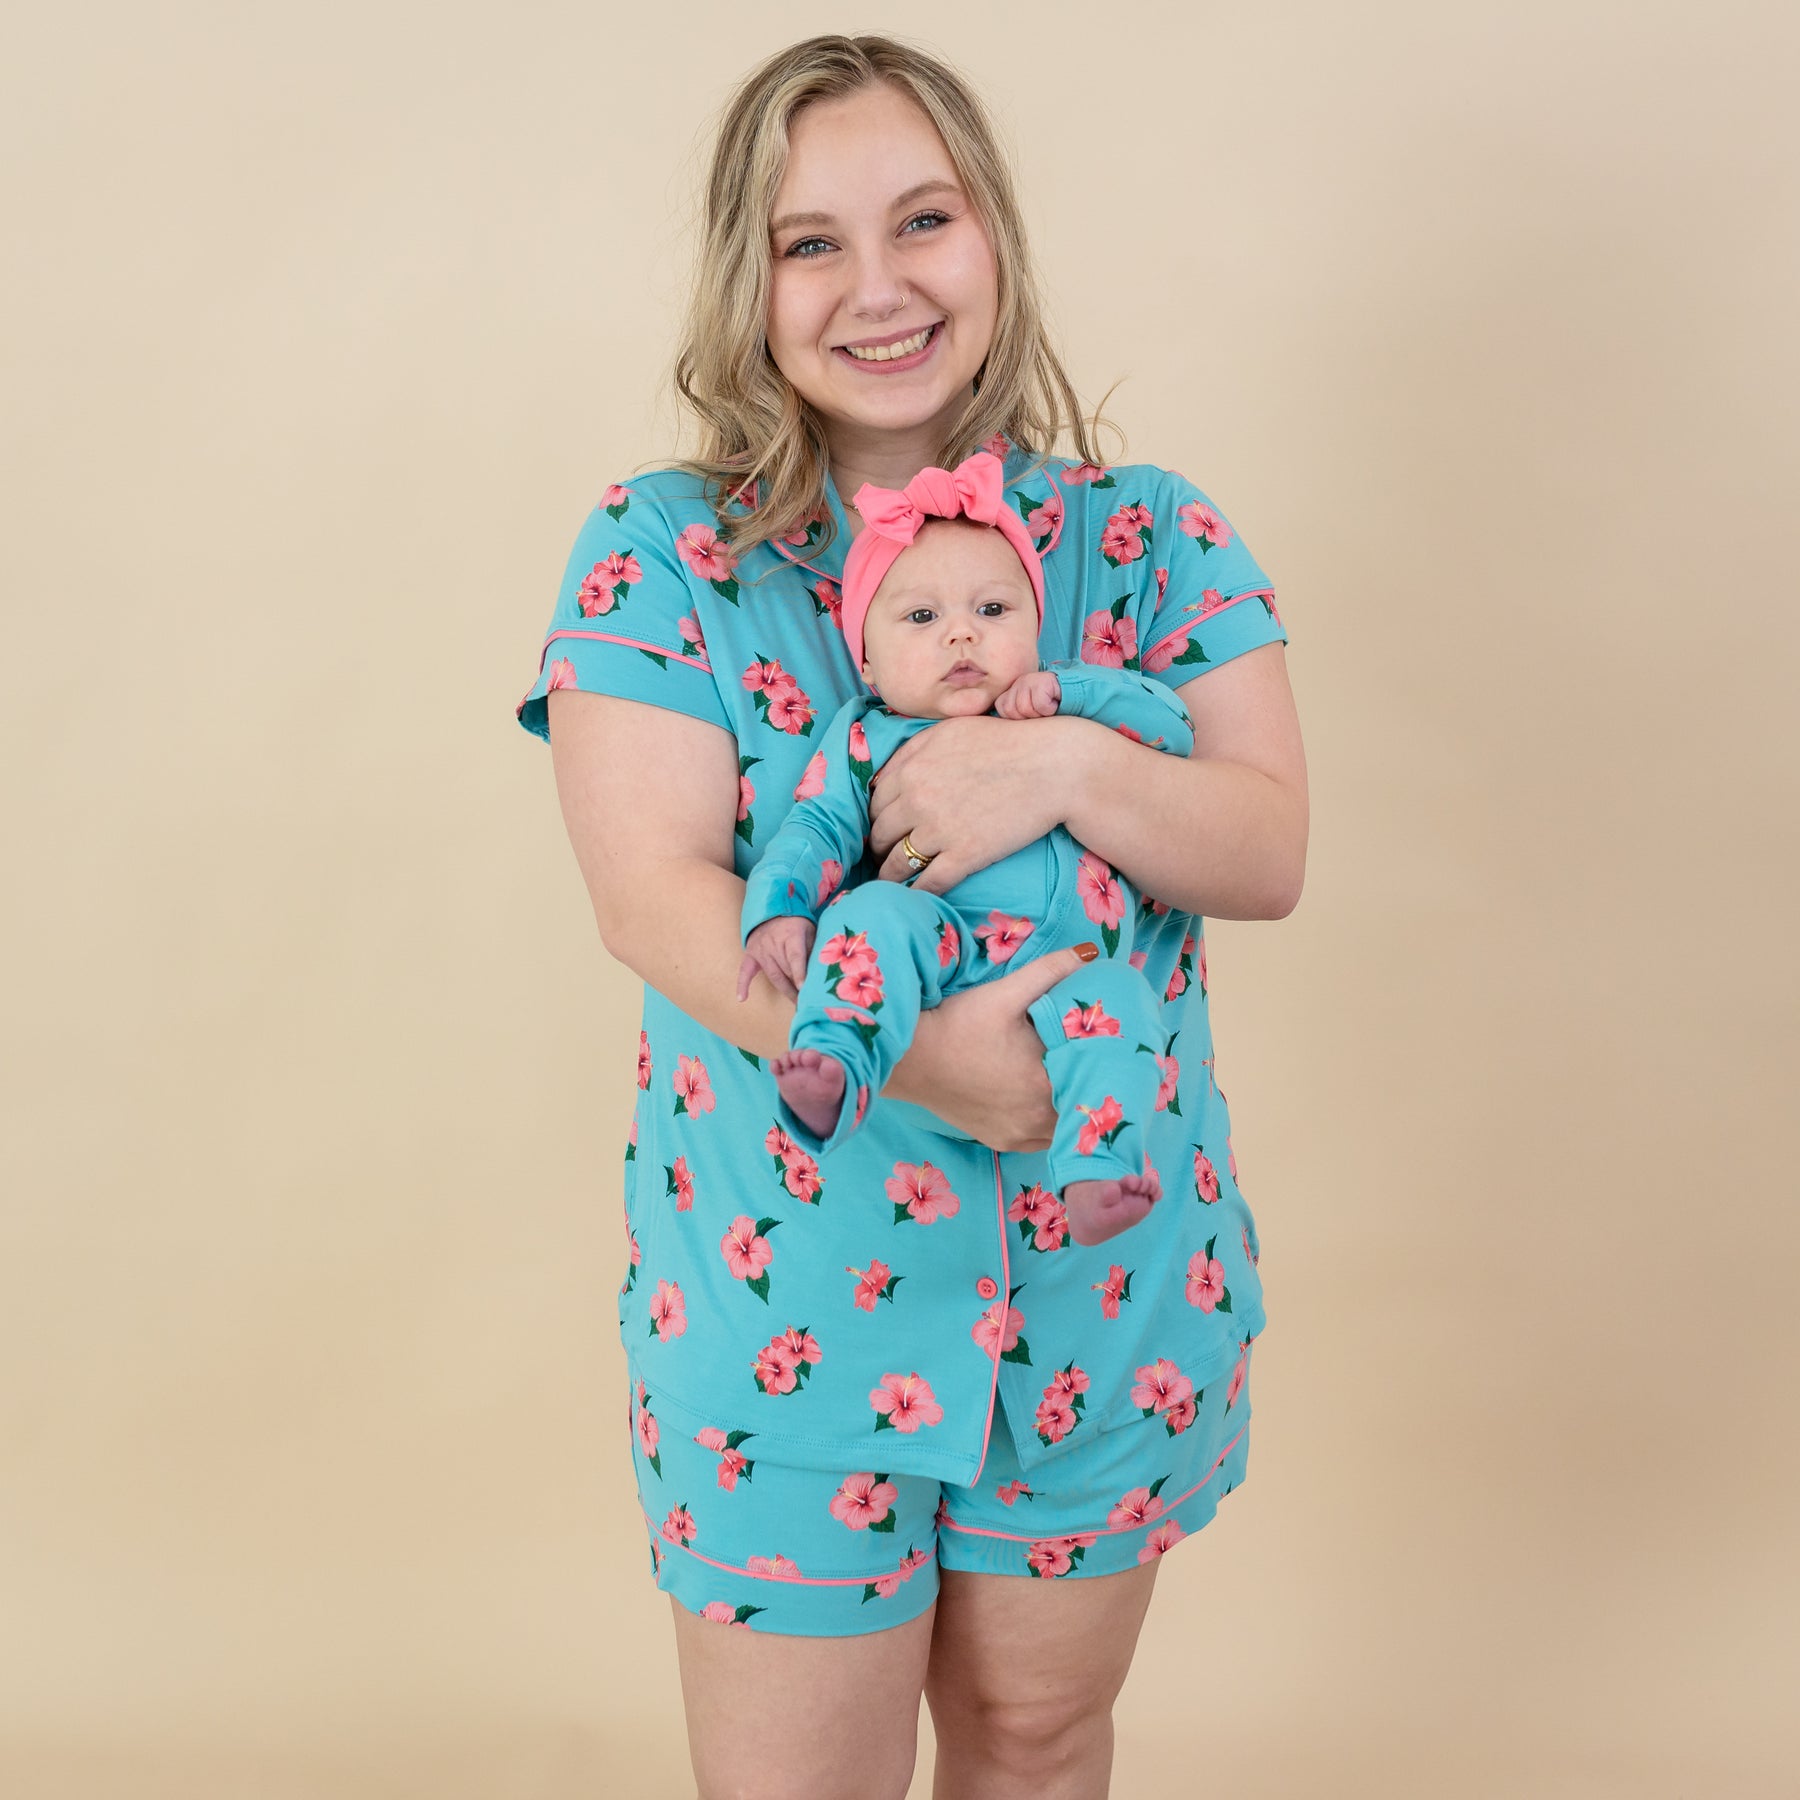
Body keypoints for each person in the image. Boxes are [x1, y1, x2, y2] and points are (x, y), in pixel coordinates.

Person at [515, 33, 1307, 1800]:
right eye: (812, 243)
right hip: (783, 1313)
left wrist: (1069, 774)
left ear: (993, 236)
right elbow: (651, 898)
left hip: (1101, 1304)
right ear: (753, 280)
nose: (878, 287)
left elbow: (1263, 847)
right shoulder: (665, 554)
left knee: (1040, 1744)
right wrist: (928, 1063)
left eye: (922, 220)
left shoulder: (1153, 539)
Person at [736, 448, 1196, 1249]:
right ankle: (833, 1065)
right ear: (868, 660)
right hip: (938, 942)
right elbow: (815, 830)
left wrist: (1075, 694)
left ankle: (1099, 1173)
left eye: (993, 610)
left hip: (1072, 968)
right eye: (921, 617)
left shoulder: (1061, 708)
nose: (961, 633)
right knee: (872, 912)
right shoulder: (866, 738)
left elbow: (1173, 730)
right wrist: (776, 908)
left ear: (1034, 626)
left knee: (1126, 1010)